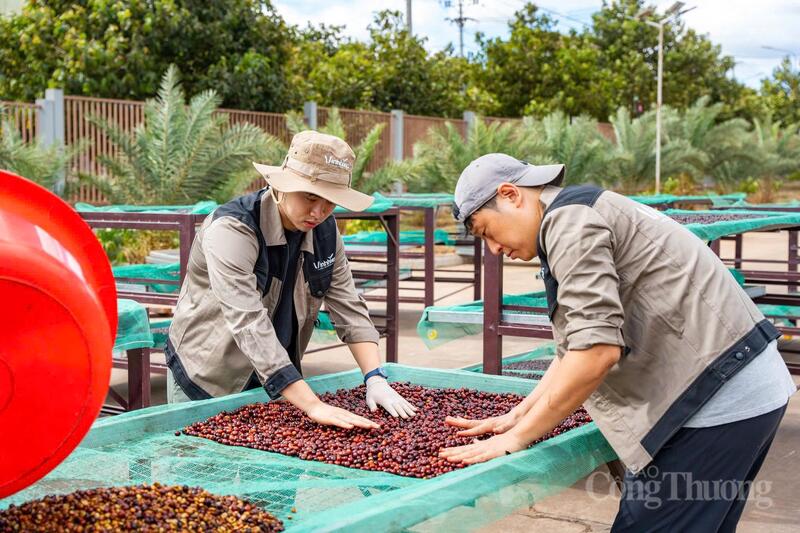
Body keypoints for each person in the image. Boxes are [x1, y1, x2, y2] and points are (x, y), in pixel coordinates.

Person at [439, 153, 796, 532]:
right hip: (740, 386)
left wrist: (516, 440)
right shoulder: (578, 210)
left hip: (717, 401)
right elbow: (574, 347)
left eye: (485, 231)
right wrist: (518, 415)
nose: (493, 249)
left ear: (511, 194)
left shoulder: (569, 222)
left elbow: (596, 353)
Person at [165, 130, 417, 429]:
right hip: (207, 380)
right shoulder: (233, 229)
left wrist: (375, 377)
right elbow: (248, 323)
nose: (319, 212)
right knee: (197, 470)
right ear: (281, 185)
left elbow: (348, 304)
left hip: (277, 383)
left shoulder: (325, 231)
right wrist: (312, 404)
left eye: (330, 202)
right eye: (310, 196)